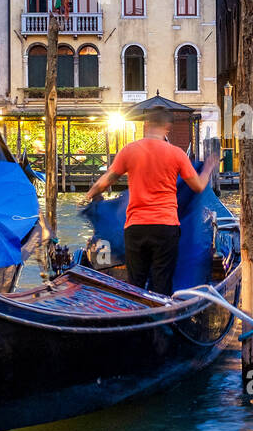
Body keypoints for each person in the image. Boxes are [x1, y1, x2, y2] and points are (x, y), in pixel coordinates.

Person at [83, 109, 217, 295]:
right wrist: (208, 168)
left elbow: (104, 182)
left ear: (146, 125)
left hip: (136, 227)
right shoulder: (177, 154)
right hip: (165, 227)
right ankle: (160, 318)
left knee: (136, 283)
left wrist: (88, 195)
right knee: (161, 283)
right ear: (167, 128)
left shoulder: (129, 150)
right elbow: (198, 186)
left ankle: (138, 316)